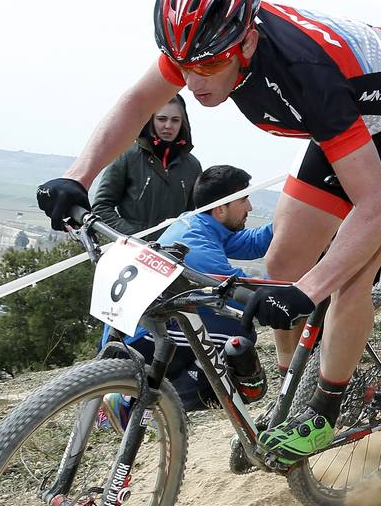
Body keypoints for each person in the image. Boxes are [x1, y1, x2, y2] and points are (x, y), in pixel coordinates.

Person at [38, 0, 381, 464]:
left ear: (248, 40)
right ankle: (291, 397)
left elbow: (374, 210)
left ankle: (323, 412)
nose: (194, 83)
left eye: (210, 65)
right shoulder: (203, 45)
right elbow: (135, 104)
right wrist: (77, 177)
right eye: (182, 64)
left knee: (349, 272)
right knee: (283, 262)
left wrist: (309, 291)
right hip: (349, 119)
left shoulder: (305, 73)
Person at [99, 165, 274, 427]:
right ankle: (135, 402)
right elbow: (243, 294)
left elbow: (250, 243)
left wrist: (292, 219)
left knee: (215, 327)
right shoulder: (197, 245)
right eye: (243, 199)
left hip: (137, 328)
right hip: (139, 338)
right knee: (238, 333)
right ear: (221, 209)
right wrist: (306, 289)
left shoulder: (199, 223)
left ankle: (147, 395)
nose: (249, 207)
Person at [90, 94, 202, 236]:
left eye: (175, 120)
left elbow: (193, 215)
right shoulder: (126, 156)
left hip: (172, 252)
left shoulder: (192, 166)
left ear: (182, 123)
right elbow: (101, 207)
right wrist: (134, 237)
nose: (168, 125)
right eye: (162, 119)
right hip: (131, 250)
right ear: (151, 119)